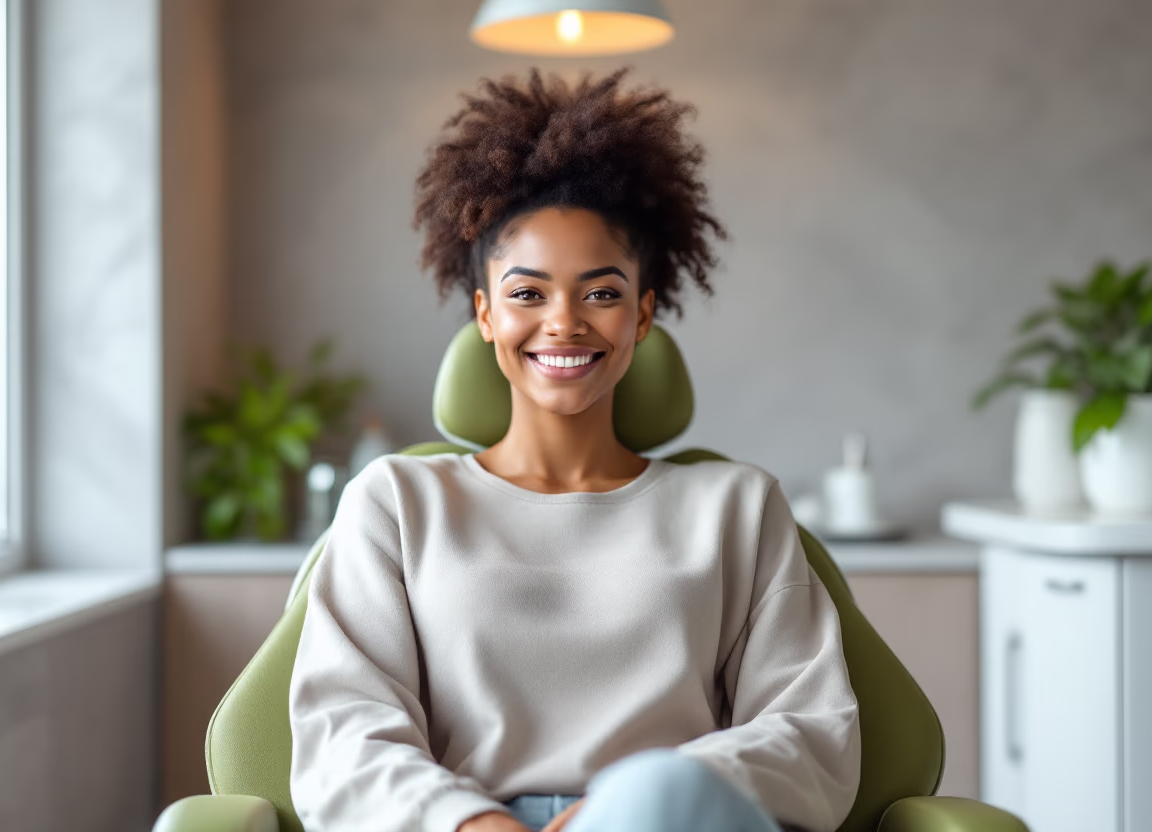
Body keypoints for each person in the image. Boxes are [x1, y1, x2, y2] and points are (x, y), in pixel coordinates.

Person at [289, 68, 860, 832]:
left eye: (601, 293)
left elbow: (813, 734)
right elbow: (342, 735)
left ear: (643, 315)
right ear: (485, 315)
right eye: (528, 294)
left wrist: (637, 805)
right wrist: (472, 823)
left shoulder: (738, 508)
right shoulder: (396, 502)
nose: (564, 322)